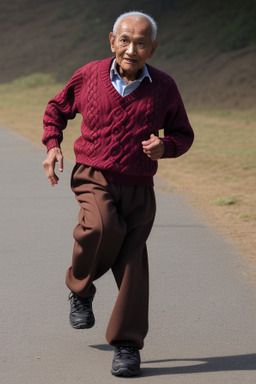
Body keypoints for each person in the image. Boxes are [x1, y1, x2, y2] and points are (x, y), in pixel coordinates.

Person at [42, 11, 194, 377]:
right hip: (94, 173)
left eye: (141, 42)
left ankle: (127, 346)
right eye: (125, 40)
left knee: (132, 264)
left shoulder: (164, 86)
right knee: (101, 227)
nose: (131, 49)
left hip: (140, 184)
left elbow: (182, 134)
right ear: (112, 40)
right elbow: (56, 110)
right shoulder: (89, 74)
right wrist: (52, 145)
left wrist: (165, 146)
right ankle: (80, 288)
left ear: (152, 48)